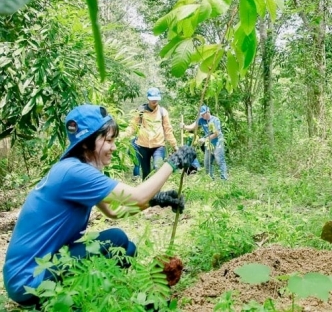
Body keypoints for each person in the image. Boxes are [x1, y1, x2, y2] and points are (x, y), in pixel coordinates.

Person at [2, 104, 196, 306]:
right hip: (28, 279)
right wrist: (173, 162)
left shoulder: (76, 169)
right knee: (116, 238)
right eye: (108, 140)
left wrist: (155, 200)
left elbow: (113, 212)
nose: (113, 147)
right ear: (86, 144)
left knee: (127, 250)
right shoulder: (74, 173)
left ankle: (97, 301)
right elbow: (137, 196)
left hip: (37, 272)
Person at [122, 87, 179, 180]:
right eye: (152, 98)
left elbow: (168, 130)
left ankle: (157, 193)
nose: (154, 100)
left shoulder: (162, 112)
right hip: (142, 146)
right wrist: (122, 135)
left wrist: (174, 145)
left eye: (156, 98)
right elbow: (132, 126)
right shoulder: (140, 111)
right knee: (146, 173)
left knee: (158, 168)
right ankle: (146, 193)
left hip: (158, 146)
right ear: (148, 98)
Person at [181, 105, 228, 180]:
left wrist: (205, 139)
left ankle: (224, 179)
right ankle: (209, 178)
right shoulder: (201, 119)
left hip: (217, 142)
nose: (202, 116)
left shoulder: (215, 120)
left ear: (208, 112)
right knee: (207, 162)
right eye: (201, 114)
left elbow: (217, 133)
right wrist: (184, 126)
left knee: (220, 160)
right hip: (208, 144)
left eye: (203, 114)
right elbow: (192, 126)